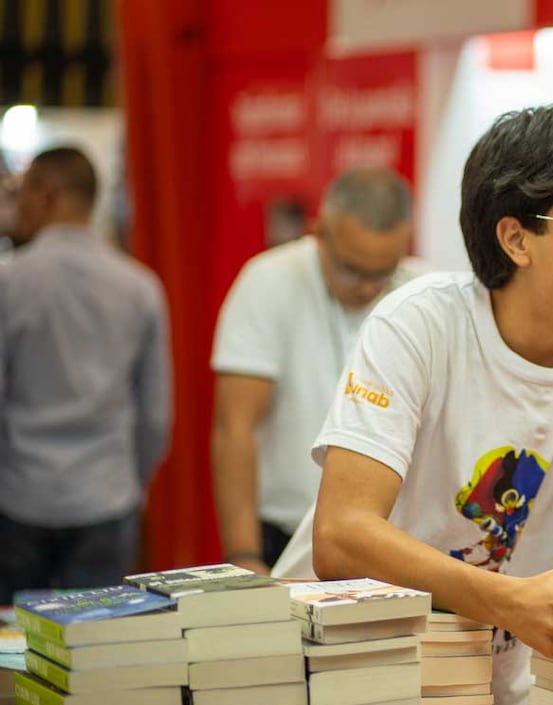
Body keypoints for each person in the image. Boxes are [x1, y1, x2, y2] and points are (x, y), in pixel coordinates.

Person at [272, 104, 553, 705]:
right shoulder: (419, 322)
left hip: (483, 681)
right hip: (346, 673)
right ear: (515, 239)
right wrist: (507, 600)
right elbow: (342, 535)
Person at [211, 168, 426, 574]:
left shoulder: (422, 290)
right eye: (352, 270)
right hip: (287, 533)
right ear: (319, 233)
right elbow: (235, 426)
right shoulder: (269, 282)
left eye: (383, 273)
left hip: (395, 540)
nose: (367, 288)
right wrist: (243, 555)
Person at [0, 146, 172, 602]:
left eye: (22, 192)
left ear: (46, 194)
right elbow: (156, 414)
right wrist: (129, 481)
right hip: (106, 496)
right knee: (97, 636)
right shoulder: (140, 287)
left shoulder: (10, 283)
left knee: (15, 638)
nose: (16, 205)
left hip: (20, 496)